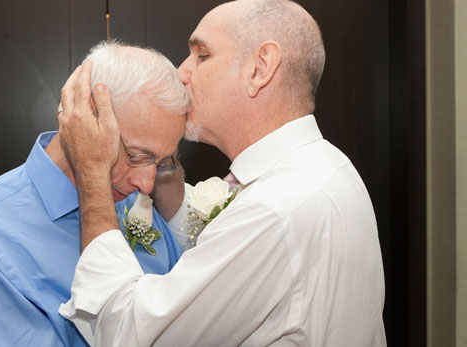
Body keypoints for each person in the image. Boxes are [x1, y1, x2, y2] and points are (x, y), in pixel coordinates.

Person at [58, 0, 387, 346]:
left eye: (202, 55)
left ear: (260, 68)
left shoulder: (275, 210)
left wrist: (93, 176)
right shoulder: (326, 166)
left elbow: (128, 329)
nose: (181, 71)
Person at [0, 41, 187, 346]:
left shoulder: (135, 203)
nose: (146, 185)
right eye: (136, 155)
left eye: (160, 162)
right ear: (83, 118)